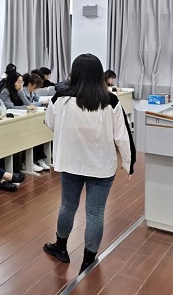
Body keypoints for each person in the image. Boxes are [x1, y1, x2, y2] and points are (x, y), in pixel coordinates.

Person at [43, 53, 136, 274]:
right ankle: (88, 259)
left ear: (74, 73)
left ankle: (61, 247)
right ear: (99, 75)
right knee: (95, 213)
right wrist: (128, 163)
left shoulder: (60, 98)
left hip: (71, 162)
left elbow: (50, 123)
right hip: (101, 166)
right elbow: (123, 135)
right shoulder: (111, 101)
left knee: (67, 206)